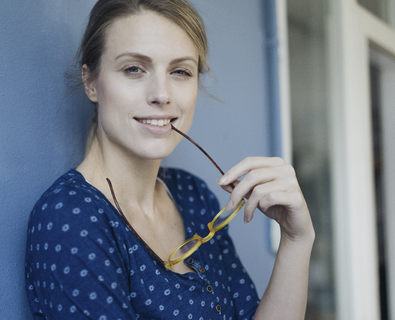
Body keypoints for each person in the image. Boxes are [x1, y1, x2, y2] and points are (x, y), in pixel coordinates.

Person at [25, 0, 315, 319]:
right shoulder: (71, 219)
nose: (162, 94)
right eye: (134, 68)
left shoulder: (193, 196)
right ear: (90, 81)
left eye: (180, 71)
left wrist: (296, 240)